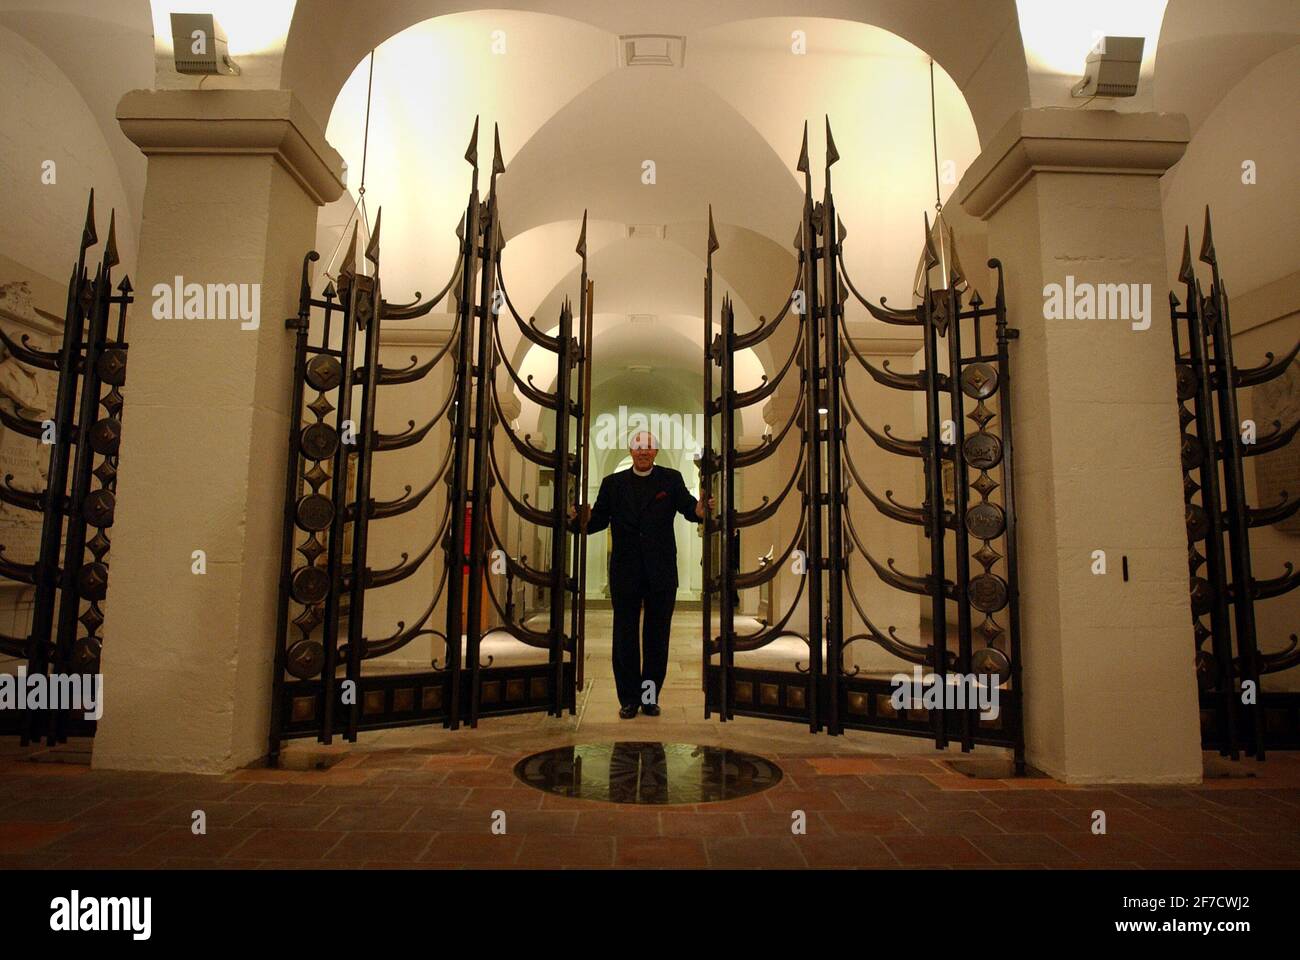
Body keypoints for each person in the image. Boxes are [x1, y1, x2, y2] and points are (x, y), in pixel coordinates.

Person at [569, 431, 713, 718]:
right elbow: (596, 521)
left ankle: (649, 697)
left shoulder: (670, 480)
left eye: (648, 447)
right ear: (630, 450)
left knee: (657, 638)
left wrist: (699, 510)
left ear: (656, 451)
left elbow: (689, 508)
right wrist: (576, 520)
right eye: (638, 447)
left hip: (660, 573)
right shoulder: (612, 484)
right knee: (624, 637)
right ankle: (629, 699)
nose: (643, 451)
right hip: (625, 572)